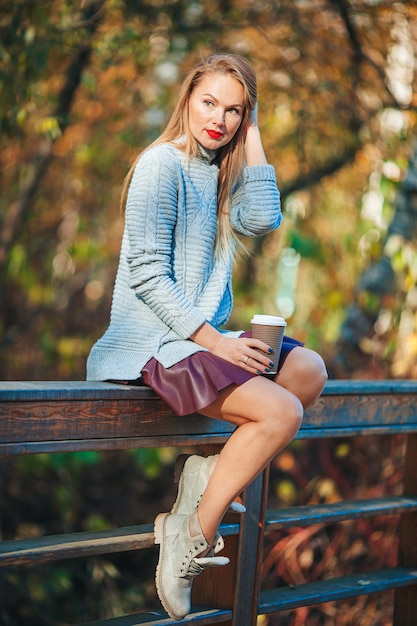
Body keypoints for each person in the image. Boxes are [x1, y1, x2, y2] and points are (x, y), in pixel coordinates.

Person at [86, 52, 327, 621]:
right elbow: (145, 272)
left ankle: (208, 476)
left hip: (199, 337)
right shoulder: (159, 166)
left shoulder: (223, 172)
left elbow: (265, 217)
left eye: (235, 110)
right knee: (281, 414)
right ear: (188, 100)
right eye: (210, 102)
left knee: (307, 371)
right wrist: (214, 343)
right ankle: (189, 532)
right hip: (154, 341)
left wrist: (257, 132)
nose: (219, 119)